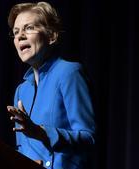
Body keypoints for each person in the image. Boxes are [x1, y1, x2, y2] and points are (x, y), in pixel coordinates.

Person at [6, 2, 96, 169]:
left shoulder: (69, 73)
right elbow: (22, 151)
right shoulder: (21, 90)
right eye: (16, 32)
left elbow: (89, 139)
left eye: (29, 28)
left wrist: (43, 133)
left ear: (52, 36)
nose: (20, 36)